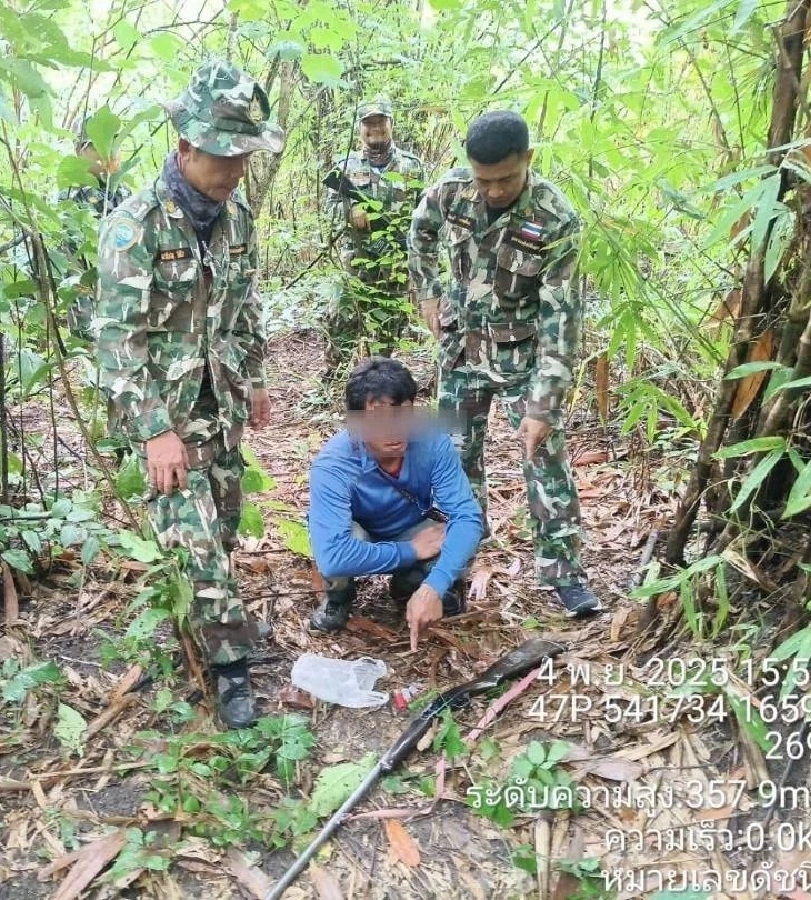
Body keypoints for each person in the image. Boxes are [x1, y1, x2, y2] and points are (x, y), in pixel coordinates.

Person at [94, 60, 285, 728]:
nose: (235, 171)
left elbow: (244, 304)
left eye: (244, 157)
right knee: (195, 541)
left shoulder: (236, 222)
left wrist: (254, 376)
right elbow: (117, 341)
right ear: (184, 149)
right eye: (223, 157)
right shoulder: (135, 225)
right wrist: (152, 429)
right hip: (167, 414)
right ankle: (230, 670)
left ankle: (201, 628)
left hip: (222, 404)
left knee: (223, 529)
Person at [407, 110, 603, 618]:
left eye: (505, 180)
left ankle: (564, 573)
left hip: (524, 357)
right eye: (483, 180)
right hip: (459, 351)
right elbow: (420, 233)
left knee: (545, 456)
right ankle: (454, 567)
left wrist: (544, 404)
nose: (493, 191)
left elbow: (563, 319)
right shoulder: (449, 192)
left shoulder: (555, 217)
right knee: (453, 459)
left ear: (529, 161)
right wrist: (428, 292)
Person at [307, 357, 483, 649]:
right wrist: (410, 550)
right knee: (339, 553)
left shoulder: (432, 442)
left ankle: (409, 585)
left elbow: (467, 517)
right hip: (359, 532)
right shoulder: (333, 464)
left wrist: (434, 587)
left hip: (410, 525)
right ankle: (339, 597)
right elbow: (333, 555)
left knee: (456, 536)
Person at [322, 99, 425, 373]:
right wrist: (350, 208)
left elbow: (425, 216)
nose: (375, 128)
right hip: (354, 262)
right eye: (368, 123)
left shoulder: (411, 167)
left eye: (380, 122)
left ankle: (378, 380)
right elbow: (329, 212)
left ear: (391, 123)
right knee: (341, 320)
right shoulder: (344, 165)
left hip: (394, 264)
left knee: (390, 325)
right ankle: (334, 380)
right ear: (359, 128)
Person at [66, 117, 131, 340]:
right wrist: (87, 332)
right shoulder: (71, 201)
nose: (109, 152)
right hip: (93, 324)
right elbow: (73, 270)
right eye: (97, 145)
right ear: (80, 151)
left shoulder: (126, 196)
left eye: (114, 144)